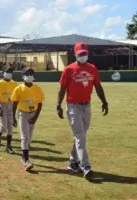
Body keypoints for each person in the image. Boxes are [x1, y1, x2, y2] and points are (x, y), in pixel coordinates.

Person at [57, 41, 108, 179]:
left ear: (88, 53)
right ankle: (85, 166)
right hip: (73, 106)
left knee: (81, 135)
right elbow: (62, 89)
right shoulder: (68, 69)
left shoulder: (93, 68)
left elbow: (98, 86)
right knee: (80, 135)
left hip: (87, 106)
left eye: (85, 53)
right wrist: (58, 105)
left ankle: (73, 162)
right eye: (80, 54)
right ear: (75, 54)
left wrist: (104, 102)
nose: (83, 56)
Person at [11, 67, 44, 171]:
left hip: (33, 113)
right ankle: (26, 160)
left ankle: (23, 156)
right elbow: (14, 104)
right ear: (23, 76)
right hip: (23, 114)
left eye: (31, 74)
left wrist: (35, 117)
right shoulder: (18, 88)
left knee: (29, 138)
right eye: (27, 74)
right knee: (24, 137)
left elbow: (40, 104)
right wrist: (13, 117)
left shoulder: (37, 88)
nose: (29, 76)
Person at [0, 67, 18, 154]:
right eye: (7, 72)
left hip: (10, 105)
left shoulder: (14, 83)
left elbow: (16, 98)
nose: (9, 74)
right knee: (3, 126)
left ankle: (8, 146)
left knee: (10, 127)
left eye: (11, 72)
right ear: (4, 73)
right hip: (2, 105)